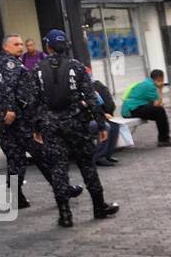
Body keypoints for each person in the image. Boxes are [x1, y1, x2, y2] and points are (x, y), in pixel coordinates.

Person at [32, 30, 119, 226]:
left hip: (50, 125)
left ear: (48, 46)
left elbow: (33, 102)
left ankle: (65, 215)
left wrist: (36, 128)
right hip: (76, 123)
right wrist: (101, 122)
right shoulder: (77, 67)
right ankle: (99, 207)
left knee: (58, 169)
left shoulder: (37, 69)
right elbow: (90, 97)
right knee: (87, 165)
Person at [0, 33, 74, 221]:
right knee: (43, 155)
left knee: (16, 161)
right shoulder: (10, 63)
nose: (20, 47)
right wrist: (10, 110)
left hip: (12, 121)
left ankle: (18, 197)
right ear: (6, 47)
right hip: (20, 121)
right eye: (16, 44)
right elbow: (6, 89)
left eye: (22, 43)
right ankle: (62, 189)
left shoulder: (5, 62)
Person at [120, 69, 171, 147]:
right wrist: (161, 89)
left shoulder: (146, 83)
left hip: (130, 109)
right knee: (160, 111)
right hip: (131, 110)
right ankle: (164, 139)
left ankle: (165, 138)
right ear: (160, 79)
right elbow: (158, 103)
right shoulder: (151, 87)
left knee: (158, 111)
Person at [90, 73, 121, 166]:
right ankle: (99, 156)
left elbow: (98, 106)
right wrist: (102, 116)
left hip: (94, 117)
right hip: (82, 121)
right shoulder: (77, 91)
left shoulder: (93, 90)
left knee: (115, 125)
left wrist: (103, 114)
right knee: (105, 126)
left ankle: (107, 154)